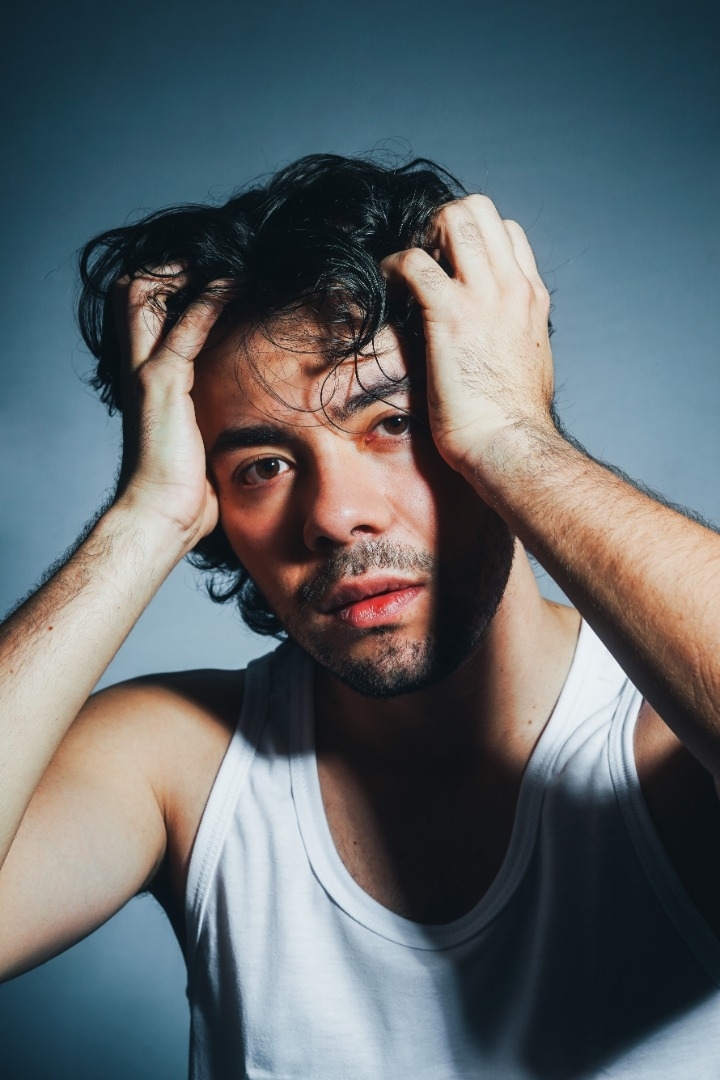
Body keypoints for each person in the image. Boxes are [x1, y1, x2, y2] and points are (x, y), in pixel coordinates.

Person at [1, 153, 720, 1079]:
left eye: (393, 422)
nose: (336, 515)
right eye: (262, 465)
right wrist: (146, 518)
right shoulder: (182, 763)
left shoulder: (664, 748)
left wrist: (515, 438)